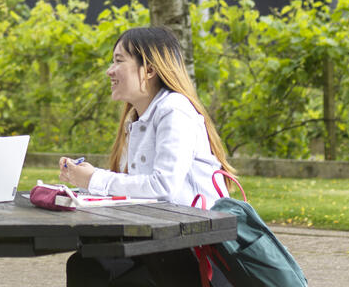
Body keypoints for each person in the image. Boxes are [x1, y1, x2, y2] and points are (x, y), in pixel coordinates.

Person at [56, 26, 236, 285]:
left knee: (93, 266)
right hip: (163, 242)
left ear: (149, 70)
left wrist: (94, 179)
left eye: (119, 61)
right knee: (88, 263)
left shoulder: (174, 110)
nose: (110, 70)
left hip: (193, 249)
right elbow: (139, 192)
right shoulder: (138, 117)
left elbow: (163, 188)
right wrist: (82, 187)